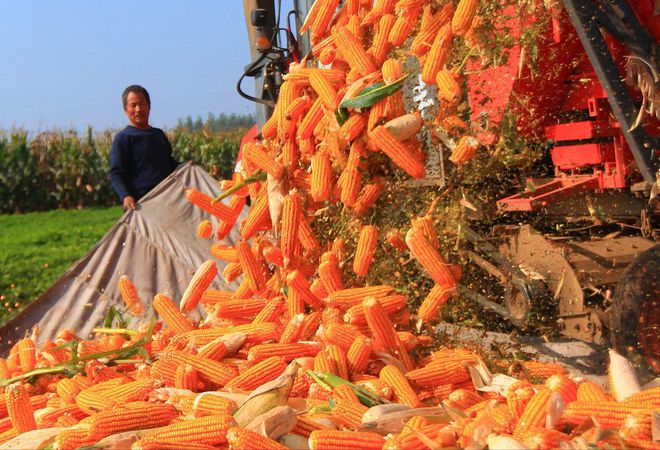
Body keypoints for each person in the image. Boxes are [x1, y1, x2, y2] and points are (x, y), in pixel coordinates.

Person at [110, 85, 179, 210]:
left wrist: (186, 167)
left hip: (167, 200)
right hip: (140, 205)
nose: (138, 109)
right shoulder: (123, 138)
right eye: (133, 105)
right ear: (126, 109)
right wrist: (125, 196)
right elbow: (116, 174)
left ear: (149, 106)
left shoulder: (158, 135)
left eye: (142, 104)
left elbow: (169, 163)